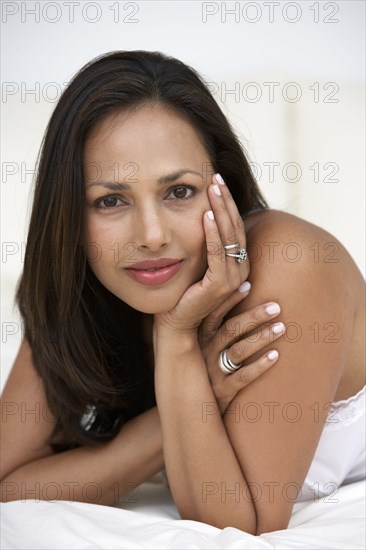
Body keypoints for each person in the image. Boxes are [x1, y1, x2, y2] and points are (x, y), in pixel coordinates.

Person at [0, 51, 364, 535]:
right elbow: (8, 484)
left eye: (179, 192)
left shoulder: (291, 261)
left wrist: (174, 338)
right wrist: (187, 381)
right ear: (69, 213)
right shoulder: (82, 287)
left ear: (222, 185)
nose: (151, 235)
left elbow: (241, 524)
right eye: (110, 200)